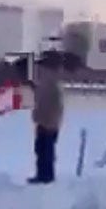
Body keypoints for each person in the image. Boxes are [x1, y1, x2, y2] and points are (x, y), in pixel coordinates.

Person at [29, 53, 64, 184]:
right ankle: (43, 175)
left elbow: (49, 104)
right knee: (42, 150)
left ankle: (45, 176)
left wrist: (41, 116)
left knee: (45, 151)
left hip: (47, 123)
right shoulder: (49, 83)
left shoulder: (50, 84)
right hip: (47, 122)